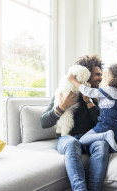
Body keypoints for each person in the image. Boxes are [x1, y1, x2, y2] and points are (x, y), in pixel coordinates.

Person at [40, 55, 109, 191]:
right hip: (68, 138)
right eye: (97, 74)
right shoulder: (64, 92)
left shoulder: (99, 96)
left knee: (102, 145)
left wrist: (89, 101)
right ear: (85, 74)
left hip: (91, 138)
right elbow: (43, 122)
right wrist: (61, 108)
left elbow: (102, 124)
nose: (100, 78)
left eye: (101, 75)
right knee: (72, 143)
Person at [68, 63, 117, 152]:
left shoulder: (108, 90)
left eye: (108, 75)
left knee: (82, 140)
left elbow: (88, 91)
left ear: (114, 79)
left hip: (104, 127)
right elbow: (111, 105)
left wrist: (73, 81)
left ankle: (105, 135)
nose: (105, 78)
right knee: (115, 150)